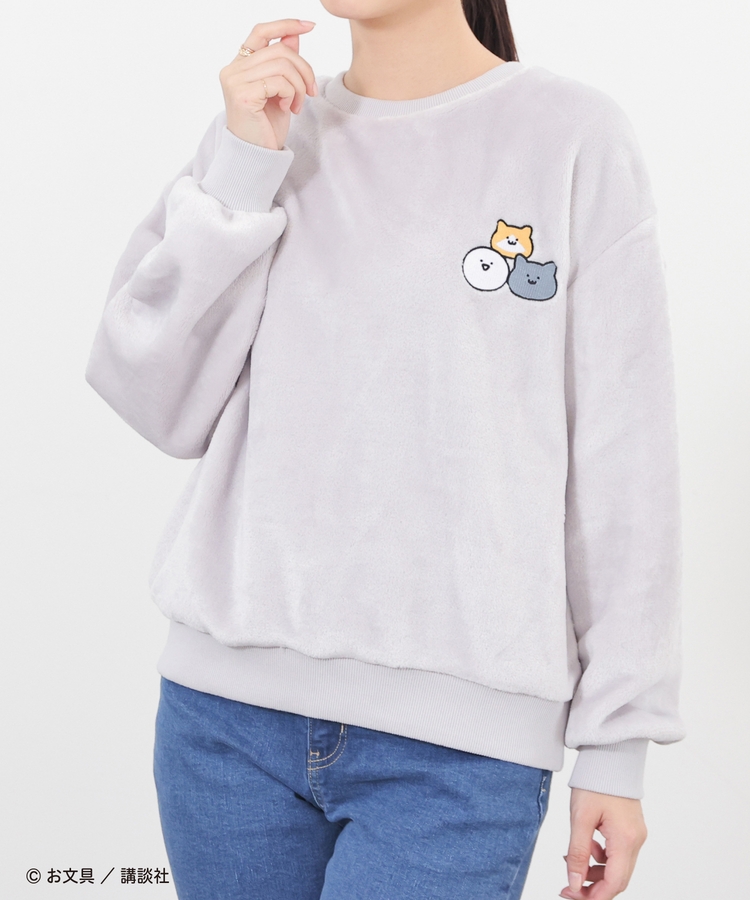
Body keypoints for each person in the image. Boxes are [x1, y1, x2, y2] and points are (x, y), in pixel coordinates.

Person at [84, 2, 686, 898]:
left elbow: (623, 458)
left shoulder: (571, 136)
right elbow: (154, 399)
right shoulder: (266, 134)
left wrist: (616, 744)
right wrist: (244, 168)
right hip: (224, 726)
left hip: (459, 755)